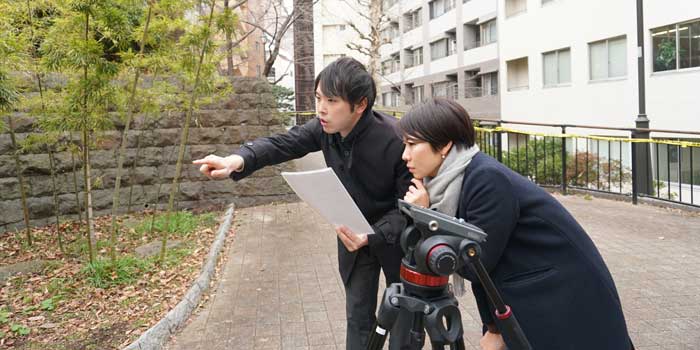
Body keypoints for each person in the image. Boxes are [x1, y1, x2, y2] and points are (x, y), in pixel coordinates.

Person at [192, 57, 412, 349]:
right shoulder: (324, 129)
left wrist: (372, 235)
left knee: (404, 320)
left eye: (332, 100)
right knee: (358, 319)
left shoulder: (397, 139)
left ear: (360, 104)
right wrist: (236, 160)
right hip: (351, 237)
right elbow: (282, 143)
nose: (321, 108)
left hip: (395, 239)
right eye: (319, 98)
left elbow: (410, 207)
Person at [398, 98, 633, 350]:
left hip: (562, 292)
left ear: (444, 145)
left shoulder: (485, 178)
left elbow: (477, 262)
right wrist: (493, 327)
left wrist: (428, 217)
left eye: (412, 144)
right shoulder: (457, 179)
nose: (405, 155)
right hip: (535, 290)